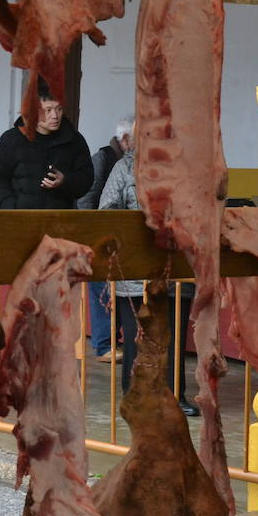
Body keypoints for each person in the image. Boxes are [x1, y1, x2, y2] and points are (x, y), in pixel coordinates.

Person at [98, 152, 199, 416]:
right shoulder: (125, 167)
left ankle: (174, 396)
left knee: (173, 335)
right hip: (135, 271)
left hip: (176, 266)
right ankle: (135, 396)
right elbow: (106, 210)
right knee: (136, 338)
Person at [0, 79, 93, 211]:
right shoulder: (12, 139)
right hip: (20, 220)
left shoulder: (74, 140)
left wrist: (65, 181)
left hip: (60, 221)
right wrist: (11, 208)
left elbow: (86, 179)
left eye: (59, 109)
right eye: (48, 110)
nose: (55, 116)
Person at [79, 118, 133, 361]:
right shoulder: (104, 159)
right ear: (124, 140)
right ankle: (103, 345)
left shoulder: (125, 161)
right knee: (100, 288)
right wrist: (94, 234)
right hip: (99, 233)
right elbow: (86, 198)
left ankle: (114, 341)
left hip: (116, 236)